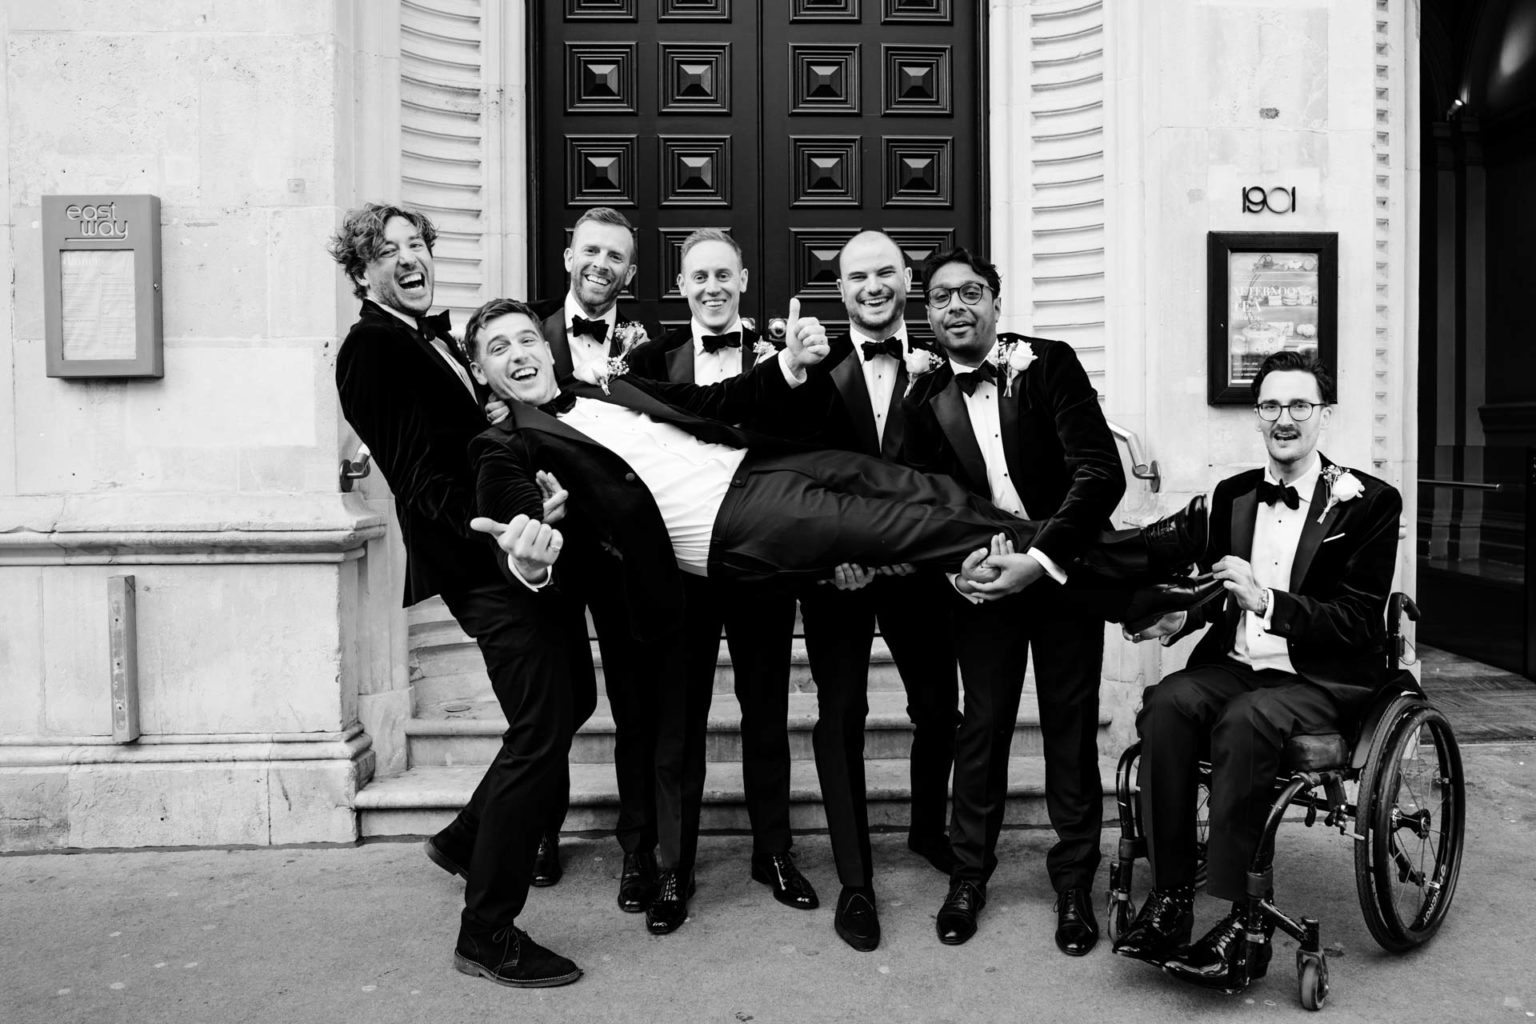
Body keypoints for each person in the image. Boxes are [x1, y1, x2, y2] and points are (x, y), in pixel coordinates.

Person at [329, 203, 589, 988]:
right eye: (388, 249)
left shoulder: (423, 339)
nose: (409, 258)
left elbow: (465, 443)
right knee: (541, 728)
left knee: (570, 698)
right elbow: (419, 478)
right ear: (361, 271)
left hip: (509, 549)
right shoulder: (371, 351)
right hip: (483, 565)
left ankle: (462, 838)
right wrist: (502, 532)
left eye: (417, 244)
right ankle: (487, 932)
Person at [1115, 351, 1402, 994]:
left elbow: (1357, 621)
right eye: (1271, 405)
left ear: (1323, 415)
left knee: (1247, 721)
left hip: (1319, 680)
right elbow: (1184, 571)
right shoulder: (1232, 494)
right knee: (1167, 703)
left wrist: (1268, 602)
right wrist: (1175, 619)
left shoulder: (1370, 502)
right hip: (1238, 663)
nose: (1284, 419)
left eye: (1300, 405)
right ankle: (1170, 899)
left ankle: (1245, 925)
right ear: (1257, 416)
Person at [899, 246, 1122, 955]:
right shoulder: (921, 399)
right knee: (982, 727)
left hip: (1063, 577)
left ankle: (1073, 881)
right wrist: (953, 572)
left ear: (996, 302)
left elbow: (1099, 474)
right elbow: (925, 506)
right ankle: (969, 874)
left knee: (1069, 723)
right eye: (940, 297)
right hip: (982, 588)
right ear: (927, 314)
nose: (956, 306)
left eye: (970, 292)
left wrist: (1041, 560)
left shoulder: (1049, 363)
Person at [779, 229, 964, 952]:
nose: (873, 286)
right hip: (838, 580)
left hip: (923, 580)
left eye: (886, 272)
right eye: (858, 276)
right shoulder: (807, 370)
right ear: (840, 287)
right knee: (841, 716)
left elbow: (963, 470)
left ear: (908, 278)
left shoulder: (946, 365)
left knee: (940, 712)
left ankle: (925, 829)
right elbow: (790, 477)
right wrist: (830, 562)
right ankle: (856, 880)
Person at [627, 229, 817, 930]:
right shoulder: (650, 359)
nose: (711, 286)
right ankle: (673, 867)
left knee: (766, 714)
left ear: (743, 279)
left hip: (759, 565)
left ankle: (773, 852)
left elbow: (802, 451)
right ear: (681, 286)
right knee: (677, 723)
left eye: (723, 275)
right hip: (680, 571)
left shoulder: (781, 357)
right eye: (697, 276)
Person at [532, 206, 667, 902]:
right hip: (551, 547)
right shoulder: (525, 337)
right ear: (568, 255)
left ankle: (638, 849)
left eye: (616, 257)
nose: (601, 266)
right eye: (591, 251)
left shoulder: (654, 348)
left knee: (635, 706)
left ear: (632, 272)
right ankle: (540, 830)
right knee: (552, 700)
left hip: (623, 550)